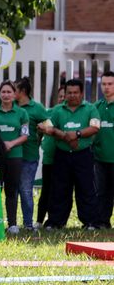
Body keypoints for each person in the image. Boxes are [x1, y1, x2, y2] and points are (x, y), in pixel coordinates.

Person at [42, 79, 100, 229]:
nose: (72, 95)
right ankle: (56, 222)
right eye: (69, 93)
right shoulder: (57, 110)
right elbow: (46, 127)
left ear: (81, 93)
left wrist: (77, 134)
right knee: (59, 190)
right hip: (62, 155)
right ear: (65, 94)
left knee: (86, 189)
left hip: (83, 155)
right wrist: (64, 136)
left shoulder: (90, 109)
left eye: (76, 93)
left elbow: (95, 127)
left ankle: (90, 222)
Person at [0, 80, 29, 234]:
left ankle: (12, 224)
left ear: (15, 94)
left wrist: (11, 143)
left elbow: (25, 135)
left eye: (9, 92)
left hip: (15, 156)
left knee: (11, 190)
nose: (6, 95)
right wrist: (0, 144)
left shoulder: (22, 113)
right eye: (3, 92)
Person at [15, 77, 48, 231]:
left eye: (14, 89)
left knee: (26, 190)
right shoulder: (9, 106)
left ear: (22, 92)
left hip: (29, 156)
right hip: (12, 156)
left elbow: (48, 127)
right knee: (12, 191)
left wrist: (41, 131)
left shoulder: (37, 108)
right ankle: (12, 223)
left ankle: (28, 224)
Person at [36, 86, 66, 226]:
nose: (62, 98)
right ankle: (39, 220)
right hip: (49, 159)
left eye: (65, 96)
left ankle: (58, 220)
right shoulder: (48, 113)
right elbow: (38, 129)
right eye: (60, 96)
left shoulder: (72, 114)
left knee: (60, 192)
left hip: (64, 159)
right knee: (46, 191)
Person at [93, 71, 114, 228]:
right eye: (104, 84)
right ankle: (102, 222)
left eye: (110, 84)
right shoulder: (96, 107)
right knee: (101, 192)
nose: (106, 87)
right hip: (99, 158)